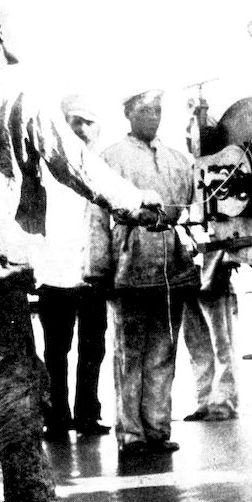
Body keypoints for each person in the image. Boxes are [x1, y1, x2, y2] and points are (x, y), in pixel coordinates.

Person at [0, 0, 163, 502]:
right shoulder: (19, 92)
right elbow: (73, 163)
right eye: (11, 24)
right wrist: (138, 203)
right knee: (18, 378)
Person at [86, 89, 200, 458]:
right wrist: (98, 270)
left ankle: (157, 429)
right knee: (129, 354)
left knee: (164, 352)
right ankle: (131, 434)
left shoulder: (178, 160)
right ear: (129, 114)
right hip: (129, 265)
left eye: (158, 110)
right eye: (146, 110)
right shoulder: (110, 158)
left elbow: (196, 208)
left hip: (172, 267)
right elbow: (95, 218)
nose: (153, 116)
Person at [34, 94, 112, 441]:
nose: (81, 129)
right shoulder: (47, 167)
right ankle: (56, 417)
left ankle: (88, 415)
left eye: (88, 122)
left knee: (93, 348)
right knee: (56, 350)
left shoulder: (105, 168)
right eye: (74, 121)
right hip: (55, 272)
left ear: (98, 128)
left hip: (92, 274)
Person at [181, 249, 241, 421]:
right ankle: (204, 402)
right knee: (196, 345)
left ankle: (223, 402)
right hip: (186, 278)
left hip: (214, 276)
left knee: (222, 344)